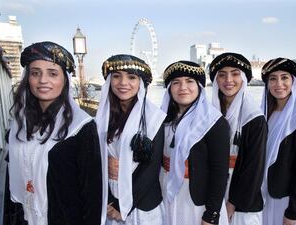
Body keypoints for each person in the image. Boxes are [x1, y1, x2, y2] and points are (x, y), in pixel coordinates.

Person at [3, 41, 102, 225]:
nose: (43, 80)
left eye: (53, 73)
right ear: (28, 79)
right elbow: (12, 185)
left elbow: (92, 196)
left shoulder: (81, 128)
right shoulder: (18, 125)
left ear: (65, 80)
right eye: (35, 73)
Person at [96, 54, 166, 225]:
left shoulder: (154, 118)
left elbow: (150, 168)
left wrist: (122, 206)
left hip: (141, 202)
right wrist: (110, 199)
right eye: (116, 76)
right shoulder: (102, 118)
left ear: (141, 83)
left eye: (131, 77)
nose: (123, 83)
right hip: (110, 198)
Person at [160, 60, 230, 225]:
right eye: (176, 82)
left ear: (199, 86)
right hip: (167, 192)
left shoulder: (214, 122)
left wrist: (211, 215)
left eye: (189, 81)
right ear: (169, 88)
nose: (183, 87)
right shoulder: (163, 119)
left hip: (197, 200)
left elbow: (219, 173)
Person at [209, 52, 267, 225]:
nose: (228, 80)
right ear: (215, 81)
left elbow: (254, 168)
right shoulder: (210, 115)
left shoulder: (254, 118)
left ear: (243, 78)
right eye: (222, 75)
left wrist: (231, 204)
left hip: (243, 205)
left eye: (235, 73)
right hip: (214, 197)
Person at [260, 58, 296, 225]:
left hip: (284, 199)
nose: (279, 84)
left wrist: (293, 211)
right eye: (272, 78)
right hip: (262, 195)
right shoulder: (263, 115)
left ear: (293, 82)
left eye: (284, 77)